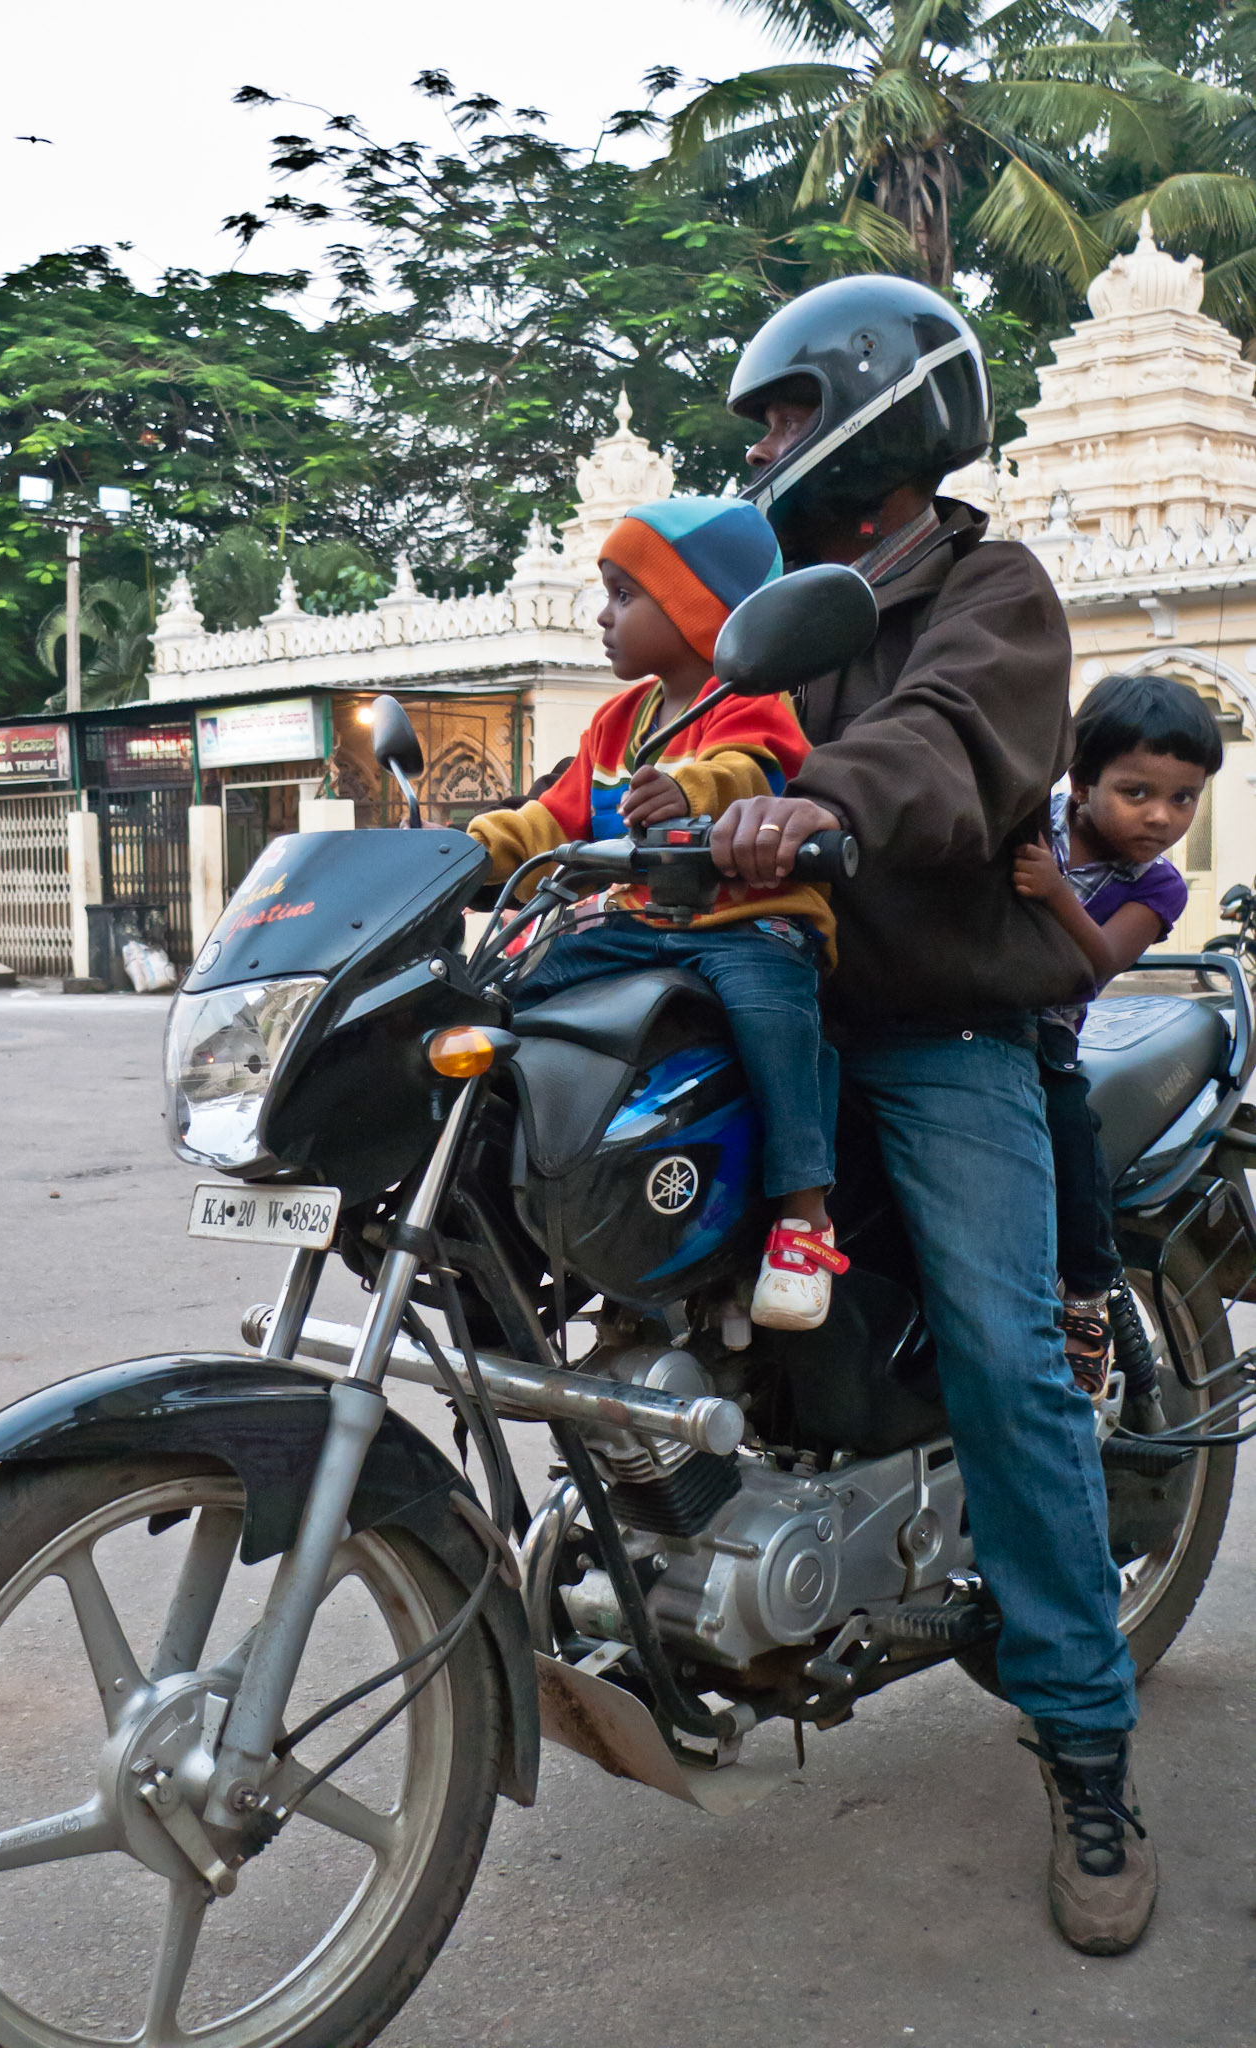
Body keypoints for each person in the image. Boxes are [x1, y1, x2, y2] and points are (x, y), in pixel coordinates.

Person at [709, 275, 1155, 1955]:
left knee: (1001, 1344)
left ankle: (1087, 1734)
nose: (764, 447)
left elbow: (949, 742)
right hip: (777, 1009)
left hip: (936, 1021)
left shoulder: (992, 589)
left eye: (786, 414)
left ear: (880, 414)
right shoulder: (771, 599)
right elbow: (685, 729)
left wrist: (813, 800)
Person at [468, 494, 848, 1330]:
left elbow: (753, 771)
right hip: (641, 928)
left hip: (751, 921)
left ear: (696, 608)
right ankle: (505, 1198)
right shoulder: (616, 721)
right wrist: (464, 852)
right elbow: (552, 819)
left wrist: (691, 788)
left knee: (773, 1024)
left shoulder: (747, 701)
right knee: (504, 999)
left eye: (624, 595)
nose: (603, 617)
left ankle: (801, 1217)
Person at [1014, 673, 1223, 1402]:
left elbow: (1096, 965)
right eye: (1138, 793)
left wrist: (1055, 892)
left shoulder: (1158, 886)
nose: (1162, 817)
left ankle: (1088, 1298)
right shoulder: (1027, 814)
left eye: (1184, 798)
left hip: (1046, 1035)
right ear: (1080, 778)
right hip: (965, 1010)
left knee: (1072, 1133)